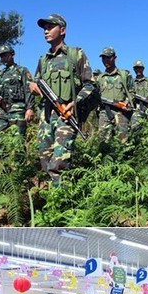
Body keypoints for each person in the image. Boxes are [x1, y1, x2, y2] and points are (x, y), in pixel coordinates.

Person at [29, 14, 97, 187]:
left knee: (59, 163)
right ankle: (51, 200)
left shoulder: (75, 54)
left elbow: (90, 84)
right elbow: (37, 83)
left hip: (66, 116)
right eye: (44, 28)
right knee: (45, 161)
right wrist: (34, 89)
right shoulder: (43, 60)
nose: (46, 31)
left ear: (63, 30)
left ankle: (64, 204)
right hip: (46, 117)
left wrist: (74, 103)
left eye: (50, 27)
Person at [0, 45, 35, 164]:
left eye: (5, 55)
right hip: (3, 110)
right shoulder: (0, 75)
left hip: (18, 109)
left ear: (12, 55)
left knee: (17, 141)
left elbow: (29, 89)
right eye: (1, 56)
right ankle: (6, 166)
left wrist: (30, 108)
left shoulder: (22, 71)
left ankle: (20, 172)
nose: (3, 58)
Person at [96, 46, 133, 144]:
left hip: (121, 113)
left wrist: (127, 102)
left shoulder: (124, 75)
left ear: (114, 58)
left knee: (123, 142)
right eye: (103, 58)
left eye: (108, 57)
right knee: (103, 142)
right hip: (104, 113)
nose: (105, 60)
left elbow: (132, 91)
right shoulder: (99, 78)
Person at [131, 60, 148, 129]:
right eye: (136, 68)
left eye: (139, 68)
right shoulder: (132, 82)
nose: (138, 70)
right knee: (136, 128)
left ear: (143, 69)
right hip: (137, 108)